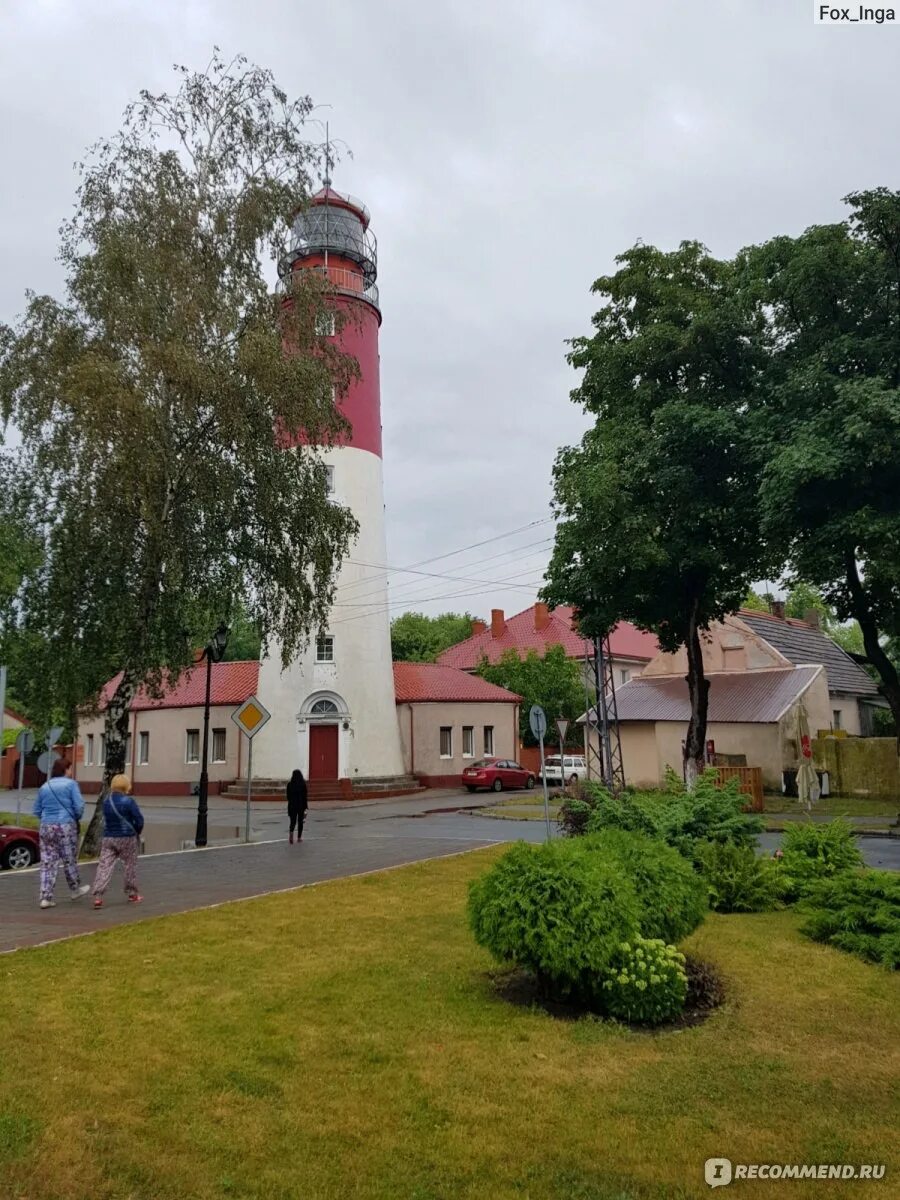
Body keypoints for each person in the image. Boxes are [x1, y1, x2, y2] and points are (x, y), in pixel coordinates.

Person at [33, 759, 89, 909]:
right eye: (70, 769)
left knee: (47, 861)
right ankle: (75, 889)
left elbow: (37, 810)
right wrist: (76, 817)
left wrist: (47, 819)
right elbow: (79, 805)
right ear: (66, 769)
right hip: (65, 825)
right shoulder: (71, 784)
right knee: (69, 858)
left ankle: (45, 897)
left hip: (46, 826)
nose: (71, 772)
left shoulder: (45, 786)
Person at [92, 774, 145, 908]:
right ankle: (132, 893)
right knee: (129, 865)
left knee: (104, 865)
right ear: (126, 786)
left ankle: (98, 895)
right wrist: (136, 831)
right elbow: (139, 820)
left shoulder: (106, 801)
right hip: (127, 837)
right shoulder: (129, 801)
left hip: (109, 837)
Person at [286, 768, 308, 844]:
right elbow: (305, 796)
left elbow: (288, 796)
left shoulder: (289, 784)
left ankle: (291, 833)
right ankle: (299, 837)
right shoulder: (303, 784)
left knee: (293, 821)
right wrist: (305, 807)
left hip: (292, 805)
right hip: (301, 805)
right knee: (300, 822)